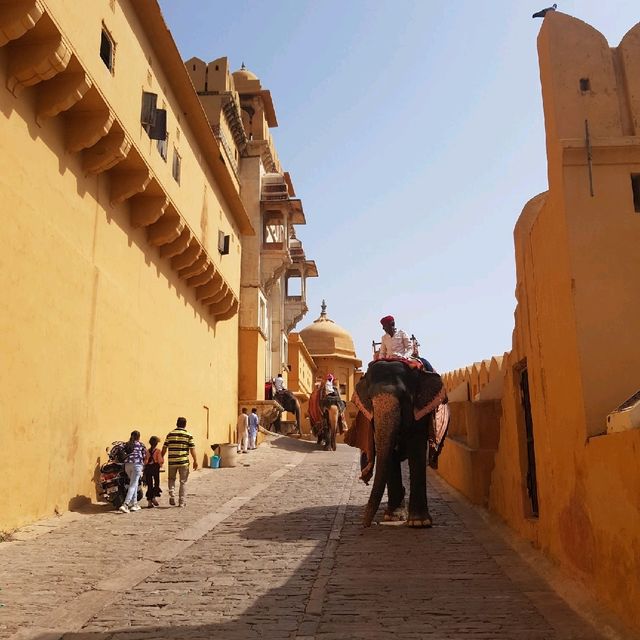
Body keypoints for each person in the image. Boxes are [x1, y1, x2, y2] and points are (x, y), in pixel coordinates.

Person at [161, 417, 198, 508]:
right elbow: (192, 449)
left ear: (176, 423)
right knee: (183, 482)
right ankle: (181, 502)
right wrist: (195, 461)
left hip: (172, 461)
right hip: (183, 462)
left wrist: (161, 458)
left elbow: (164, 448)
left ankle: (172, 493)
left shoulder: (170, 434)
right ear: (185, 424)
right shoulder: (188, 435)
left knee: (171, 479)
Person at [120, 430, 146, 513]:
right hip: (137, 465)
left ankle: (134, 504)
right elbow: (144, 456)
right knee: (133, 485)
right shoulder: (141, 445)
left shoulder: (126, 444)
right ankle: (125, 504)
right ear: (139, 437)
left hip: (127, 465)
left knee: (133, 484)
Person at [143, 436, 164, 508]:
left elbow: (145, 461)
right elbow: (160, 460)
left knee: (149, 484)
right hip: (155, 468)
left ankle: (149, 501)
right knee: (157, 483)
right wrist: (160, 465)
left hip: (148, 468)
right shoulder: (158, 451)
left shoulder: (147, 451)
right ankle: (153, 497)